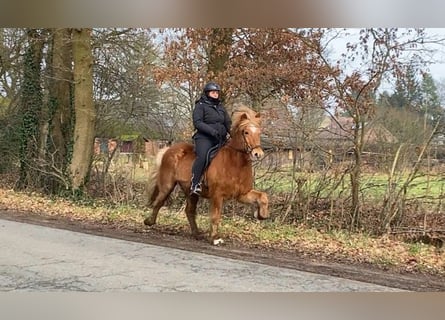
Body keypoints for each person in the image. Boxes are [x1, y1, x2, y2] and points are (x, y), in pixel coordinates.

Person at [190, 82, 231, 195]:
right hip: (204, 138)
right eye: (213, 92)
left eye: (217, 92)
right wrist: (211, 131)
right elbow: (197, 122)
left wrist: (233, 134)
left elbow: (228, 123)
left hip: (220, 138)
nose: (215, 94)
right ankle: (195, 183)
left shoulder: (221, 107)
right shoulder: (200, 106)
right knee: (203, 156)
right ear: (207, 93)